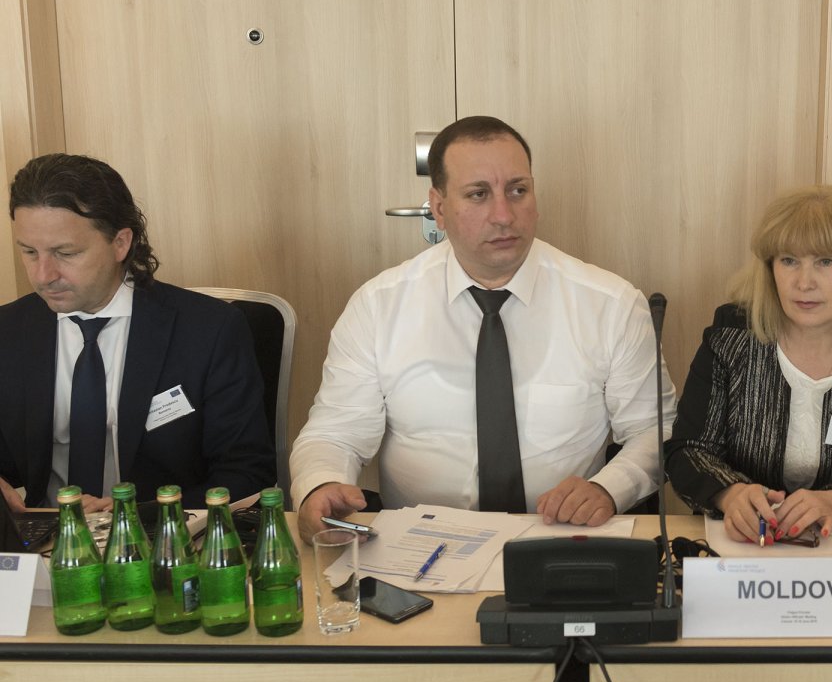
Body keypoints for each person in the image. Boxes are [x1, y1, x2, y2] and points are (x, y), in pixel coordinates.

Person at [291, 115, 675, 543]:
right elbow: (336, 431)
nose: (503, 215)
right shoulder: (378, 306)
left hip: (561, 537)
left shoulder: (610, 304)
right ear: (439, 208)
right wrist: (320, 485)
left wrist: (608, 488)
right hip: (419, 545)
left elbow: (655, 430)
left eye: (518, 190)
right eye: (478, 194)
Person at [0, 153, 275, 512]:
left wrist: (136, 515)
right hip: (46, 535)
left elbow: (247, 472)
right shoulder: (8, 331)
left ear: (121, 243)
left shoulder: (209, 330)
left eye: (65, 253)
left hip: (161, 534)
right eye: (29, 252)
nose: (43, 275)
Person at [665, 186, 832, 544]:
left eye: (826, 262)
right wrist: (730, 494)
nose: (804, 283)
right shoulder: (730, 340)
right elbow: (687, 450)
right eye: (789, 260)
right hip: (744, 546)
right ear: (770, 270)